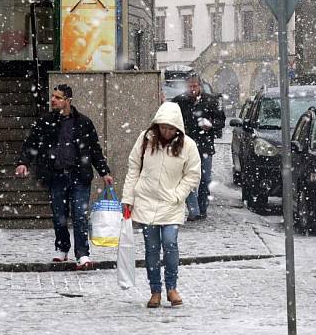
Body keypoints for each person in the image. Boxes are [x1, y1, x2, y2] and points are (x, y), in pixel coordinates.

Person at [15, 84, 114, 269]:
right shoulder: (45, 122)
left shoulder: (83, 122)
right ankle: (62, 249)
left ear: (68, 101)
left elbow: (94, 150)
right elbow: (31, 143)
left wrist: (104, 172)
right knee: (59, 216)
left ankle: (82, 254)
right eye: (53, 96)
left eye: (58, 97)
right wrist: (23, 162)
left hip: (79, 176)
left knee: (79, 216)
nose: (53, 100)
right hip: (56, 176)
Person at [121, 102, 201, 308]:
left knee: (170, 243)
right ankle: (155, 290)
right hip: (146, 201)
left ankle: (172, 287)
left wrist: (178, 195)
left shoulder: (188, 146)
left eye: (170, 128)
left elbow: (192, 175)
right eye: (163, 127)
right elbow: (133, 169)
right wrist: (128, 199)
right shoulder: (145, 140)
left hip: (171, 204)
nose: (166, 131)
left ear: (178, 128)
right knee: (152, 248)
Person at [170, 73, 225, 221]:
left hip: (204, 146)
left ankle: (202, 208)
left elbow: (221, 121)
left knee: (205, 179)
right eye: (190, 86)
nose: (192, 89)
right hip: (185, 146)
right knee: (187, 178)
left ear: (200, 86)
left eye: (195, 86)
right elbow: (171, 119)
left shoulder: (210, 101)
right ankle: (194, 210)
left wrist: (211, 125)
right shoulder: (179, 101)